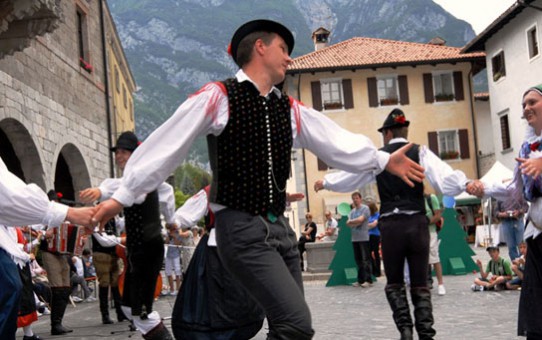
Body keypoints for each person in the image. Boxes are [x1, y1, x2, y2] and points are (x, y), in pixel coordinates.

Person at [92, 19, 425, 339]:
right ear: (261, 48)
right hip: (241, 229)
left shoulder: (288, 108)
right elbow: (168, 144)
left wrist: (381, 159)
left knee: (290, 326)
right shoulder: (220, 96)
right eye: (283, 48)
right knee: (296, 324)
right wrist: (122, 196)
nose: (289, 57)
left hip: (280, 229)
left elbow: (335, 141)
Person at [314, 109, 483, 339]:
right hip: (416, 223)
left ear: (388, 133)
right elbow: (443, 175)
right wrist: (466, 183)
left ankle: (405, 331)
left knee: (394, 282)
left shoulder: (380, 156)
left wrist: (326, 182)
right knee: (420, 282)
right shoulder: (420, 151)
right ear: (405, 131)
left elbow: (353, 175)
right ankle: (426, 334)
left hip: (391, 226)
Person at [80, 131, 175, 339]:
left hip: (148, 248)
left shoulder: (142, 178)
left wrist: (172, 222)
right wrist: (100, 190)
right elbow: (118, 186)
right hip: (137, 250)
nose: (119, 156)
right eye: (118, 152)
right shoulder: (131, 180)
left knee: (140, 310)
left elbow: (161, 194)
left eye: (124, 152)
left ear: (136, 154)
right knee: (127, 306)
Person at [0, 156, 95, 339]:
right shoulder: (28, 222)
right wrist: (60, 215)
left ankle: (53, 323)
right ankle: (54, 325)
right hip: (45, 254)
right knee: (12, 287)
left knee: (21, 289)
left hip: (56, 256)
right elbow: (7, 192)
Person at [481, 84, 542, 338]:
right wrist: (483, 187)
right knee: (537, 304)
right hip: (537, 234)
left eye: (532, 102)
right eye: (523, 104)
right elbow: (514, 189)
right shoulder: (527, 148)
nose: (526, 108)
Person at [348, 192, 372, 288]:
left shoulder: (365, 209)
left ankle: (368, 279)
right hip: (355, 238)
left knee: (365, 259)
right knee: (358, 260)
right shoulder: (352, 211)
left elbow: (361, 220)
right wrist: (354, 222)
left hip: (363, 237)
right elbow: (348, 223)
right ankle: (360, 279)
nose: (355, 200)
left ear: (360, 199)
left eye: (357, 198)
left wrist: (353, 222)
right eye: (353, 198)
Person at [424, 192, 446, 296]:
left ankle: (441, 284)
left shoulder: (431, 198)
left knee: (434, 258)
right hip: (416, 232)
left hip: (430, 231)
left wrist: (426, 223)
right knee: (420, 259)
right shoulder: (412, 199)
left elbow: (438, 215)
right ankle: (424, 283)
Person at [164, 223, 184, 296]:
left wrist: (174, 237)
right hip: (169, 254)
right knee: (168, 272)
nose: (171, 229)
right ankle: (171, 289)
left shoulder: (179, 233)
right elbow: (166, 243)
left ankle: (177, 289)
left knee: (177, 272)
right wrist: (168, 236)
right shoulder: (168, 232)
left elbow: (178, 244)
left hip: (176, 254)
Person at [367, 201, 381, 278]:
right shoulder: (368, 216)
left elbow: (374, 224)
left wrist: (368, 225)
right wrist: (370, 225)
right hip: (368, 236)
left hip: (375, 235)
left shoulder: (377, 215)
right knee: (369, 253)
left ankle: (378, 271)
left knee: (376, 253)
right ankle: (372, 270)